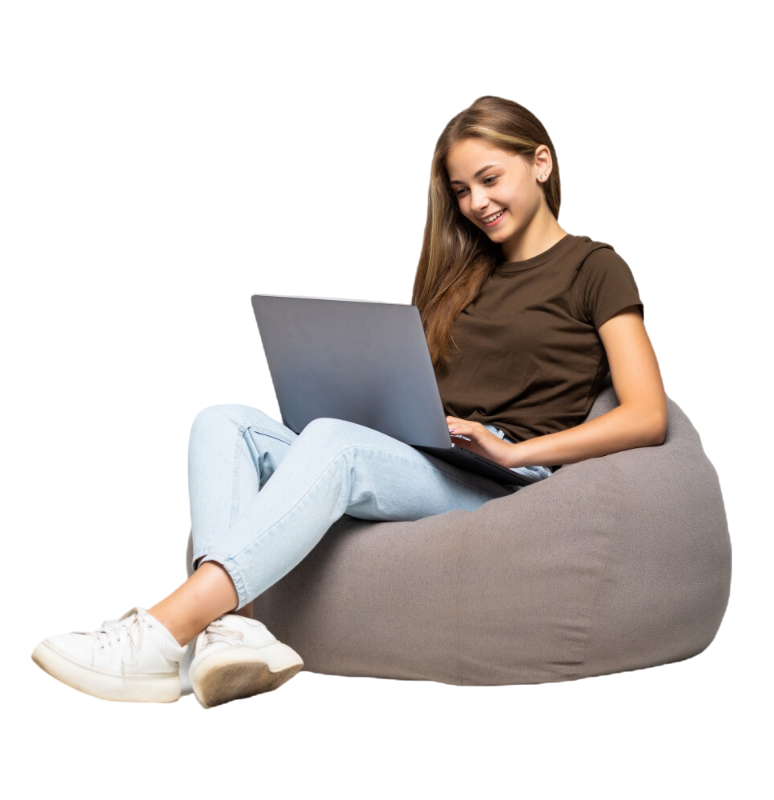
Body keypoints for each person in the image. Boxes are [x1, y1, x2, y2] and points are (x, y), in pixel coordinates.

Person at [29, 96, 667, 708]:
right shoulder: (462, 276)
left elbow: (646, 414)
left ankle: (165, 631)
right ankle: (232, 633)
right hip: (427, 452)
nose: (476, 203)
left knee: (335, 443)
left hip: (498, 475)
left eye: (489, 178)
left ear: (541, 162)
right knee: (222, 420)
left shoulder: (594, 266)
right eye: (461, 190)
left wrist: (516, 448)